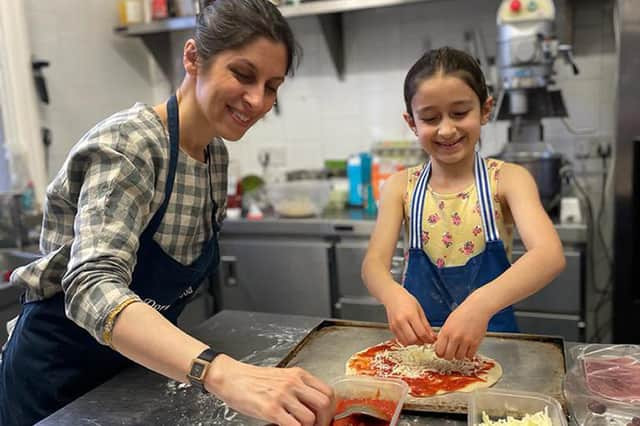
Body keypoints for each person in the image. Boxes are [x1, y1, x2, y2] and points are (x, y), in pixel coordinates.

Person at [0, 1, 335, 425]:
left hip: (126, 377)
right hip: (55, 387)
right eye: (243, 75)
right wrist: (222, 373)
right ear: (194, 58)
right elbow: (91, 286)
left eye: (272, 86)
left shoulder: (215, 156)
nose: (257, 100)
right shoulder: (131, 145)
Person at [362, 47, 566, 361]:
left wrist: (479, 305)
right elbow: (373, 265)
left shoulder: (509, 179)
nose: (446, 129)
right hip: (420, 354)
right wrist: (392, 296)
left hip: (494, 347)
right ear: (411, 122)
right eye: (430, 118)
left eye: (460, 113)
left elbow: (549, 255)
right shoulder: (400, 187)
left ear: (485, 110)